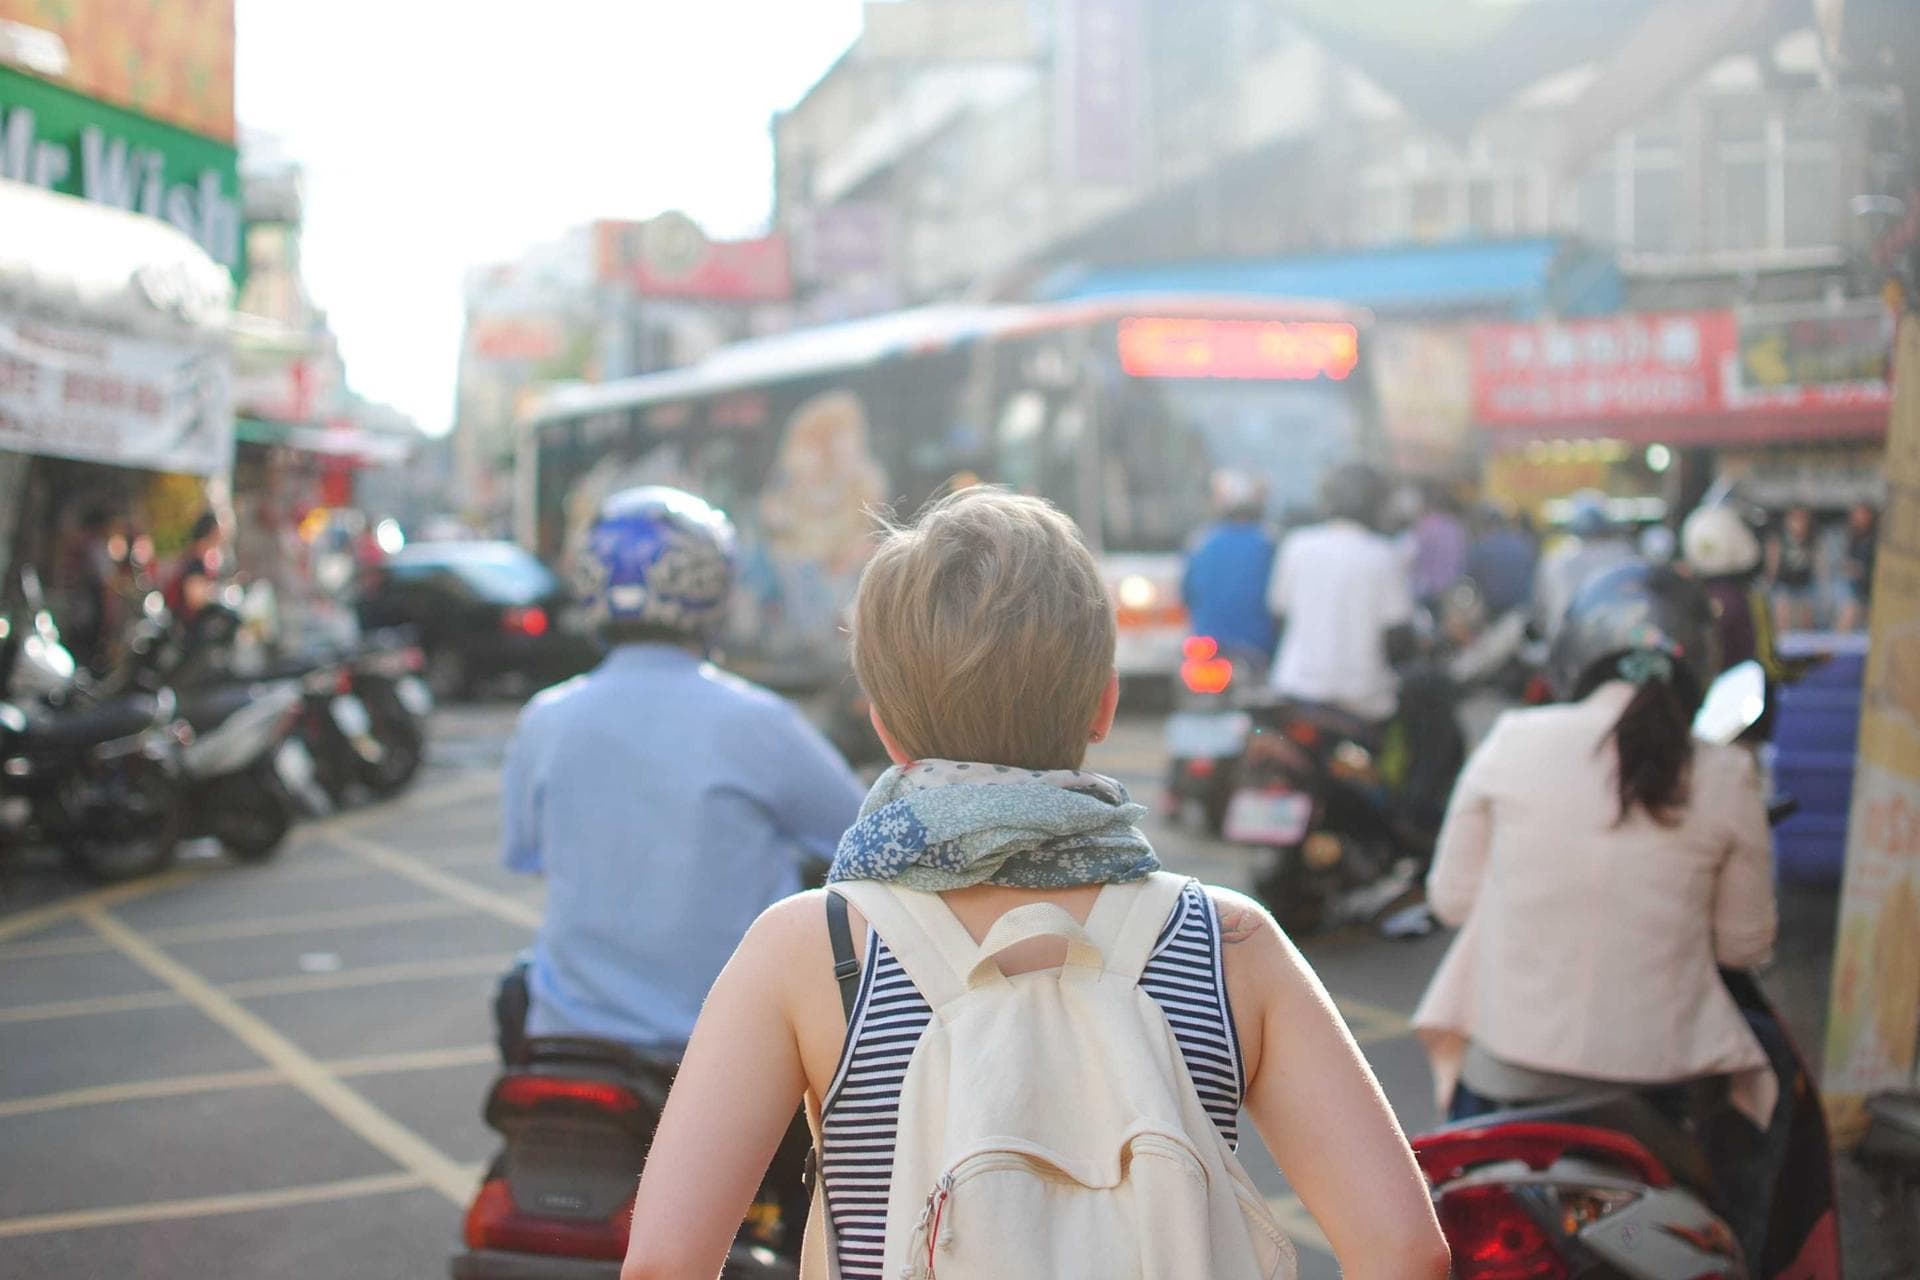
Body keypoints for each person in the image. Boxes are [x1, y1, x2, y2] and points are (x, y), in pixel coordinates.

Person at [619, 488, 1449, 1280]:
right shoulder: (1227, 943)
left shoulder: (811, 949)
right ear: (1104, 705)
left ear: (884, 722)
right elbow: (1406, 1254)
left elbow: (664, 1264)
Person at [1413, 561, 1780, 1253]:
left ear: (1575, 653)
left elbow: (1452, 901)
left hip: (1503, 1082)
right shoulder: (1728, 773)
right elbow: (1744, 947)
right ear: (1700, 664)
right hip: (1659, 1097)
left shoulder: (1515, 740)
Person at [498, 486, 865, 1059]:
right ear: (714, 590)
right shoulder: (755, 720)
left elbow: (527, 853)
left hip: (567, 1036)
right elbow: (859, 837)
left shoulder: (546, 717)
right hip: (722, 1048)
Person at [1265, 462, 1414, 729]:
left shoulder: (1296, 546)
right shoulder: (1383, 555)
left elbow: (1279, 618)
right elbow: (1398, 639)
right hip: (1363, 702)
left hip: (1296, 691)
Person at [1179, 470, 1277, 671]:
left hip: (1205, 647)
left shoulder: (1200, 541)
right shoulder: (1270, 542)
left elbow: (1186, 595)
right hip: (1259, 648)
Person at [1531, 489, 1636, 643]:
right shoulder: (1622, 553)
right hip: (1599, 641)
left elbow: (1540, 607)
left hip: (1584, 642)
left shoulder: (1556, 558)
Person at [1464, 502, 1537, 617]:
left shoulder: (1481, 548)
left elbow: (1468, 578)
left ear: (1485, 524)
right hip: (1522, 612)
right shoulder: (1523, 544)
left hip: (1491, 611)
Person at [1409, 483, 1469, 607]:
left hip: (1426, 592)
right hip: (1451, 593)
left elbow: (1413, 556)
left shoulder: (1425, 526)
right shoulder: (1457, 528)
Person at [166, 509, 227, 626]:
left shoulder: (208, 555)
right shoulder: (196, 557)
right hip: (192, 624)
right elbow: (193, 596)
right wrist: (214, 592)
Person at [1766, 505, 1819, 633]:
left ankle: (1807, 645)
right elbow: (1773, 561)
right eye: (1795, 519)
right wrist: (1771, 581)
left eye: (1802, 519)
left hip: (1804, 583)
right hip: (1785, 582)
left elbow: (1818, 562)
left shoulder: (1812, 539)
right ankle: (1782, 643)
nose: (1798, 524)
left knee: (1807, 617)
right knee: (1782, 614)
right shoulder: (1779, 538)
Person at [1838, 502, 1878, 632]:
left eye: (1861, 514)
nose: (1857, 517)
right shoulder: (1851, 535)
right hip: (1855, 588)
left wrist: (1860, 570)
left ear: (1869, 515)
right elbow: (1845, 562)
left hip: (1872, 588)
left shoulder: (1876, 538)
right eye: (1856, 514)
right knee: (1848, 609)